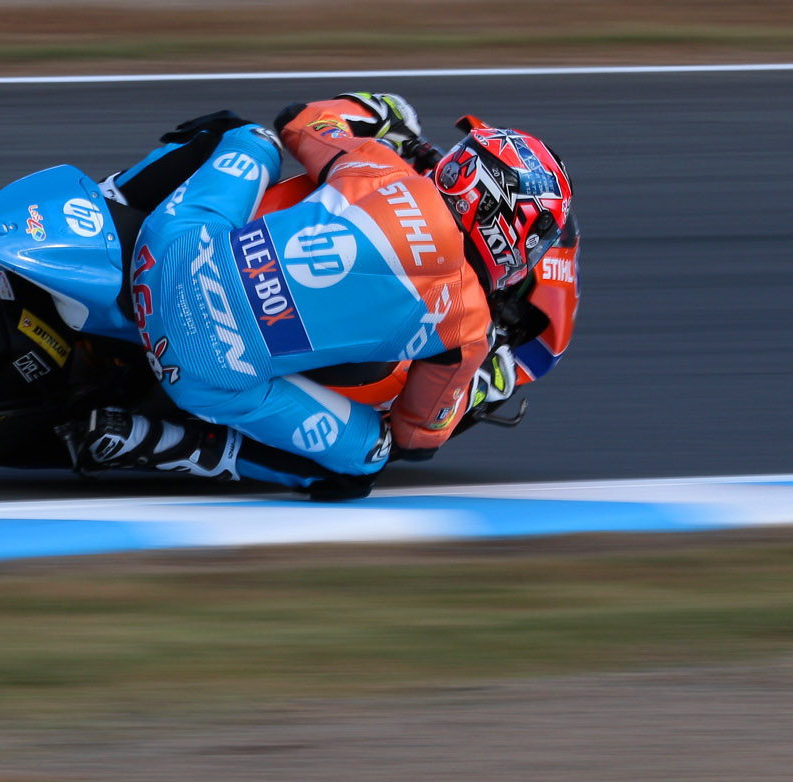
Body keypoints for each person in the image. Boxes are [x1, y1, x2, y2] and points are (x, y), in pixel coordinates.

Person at [80, 92, 575, 498]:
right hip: (199, 373)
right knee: (369, 457)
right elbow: (416, 436)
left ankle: (106, 200)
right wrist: (483, 381)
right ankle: (149, 441)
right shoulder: (467, 326)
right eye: (537, 239)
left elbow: (298, 120)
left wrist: (377, 111)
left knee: (251, 136)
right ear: (509, 227)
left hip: (164, 256)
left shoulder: (378, 165)